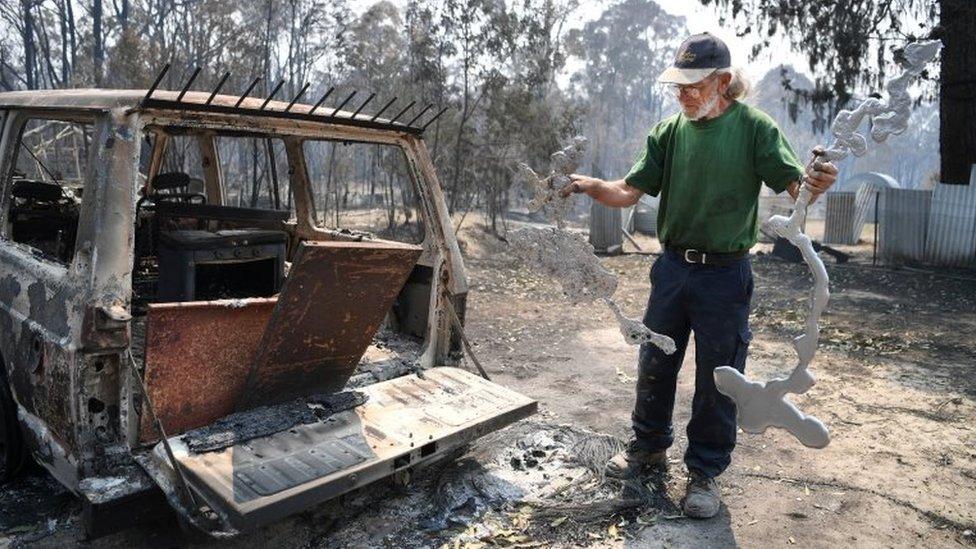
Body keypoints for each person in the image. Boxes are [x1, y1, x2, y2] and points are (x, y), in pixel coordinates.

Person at [563, 32, 838, 519]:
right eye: (679, 85)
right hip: (670, 270)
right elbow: (628, 192)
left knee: (720, 378)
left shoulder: (755, 129)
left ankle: (704, 473)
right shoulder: (669, 132)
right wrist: (589, 186)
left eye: (694, 85)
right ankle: (647, 451)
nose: (684, 94)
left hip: (725, 276)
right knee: (655, 362)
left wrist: (815, 183)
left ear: (723, 81)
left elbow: (798, 190)